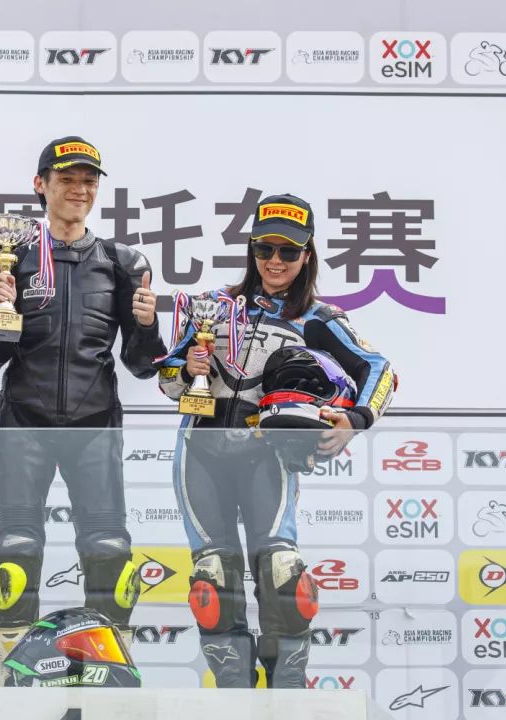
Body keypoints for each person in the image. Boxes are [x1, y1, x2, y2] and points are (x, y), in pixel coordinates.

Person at [157, 193, 395, 688]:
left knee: (283, 578)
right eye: (265, 249)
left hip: (268, 456)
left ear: (307, 255)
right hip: (199, 452)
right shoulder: (214, 306)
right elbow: (170, 382)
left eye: (288, 251)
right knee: (213, 583)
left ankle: (288, 697)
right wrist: (186, 367)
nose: (275, 261)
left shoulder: (318, 318)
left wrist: (354, 420)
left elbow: (380, 370)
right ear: (252, 250)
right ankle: (236, 697)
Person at [0, 136, 167, 678]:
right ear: (41, 185)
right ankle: (13, 674)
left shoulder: (122, 262)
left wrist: (148, 324)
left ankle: (111, 673)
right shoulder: (5, 258)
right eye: (67, 179)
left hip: (94, 424)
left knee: (108, 551)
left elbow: (143, 364)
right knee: (16, 551)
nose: (79, 189)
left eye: (88, 181)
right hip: (22, 423)